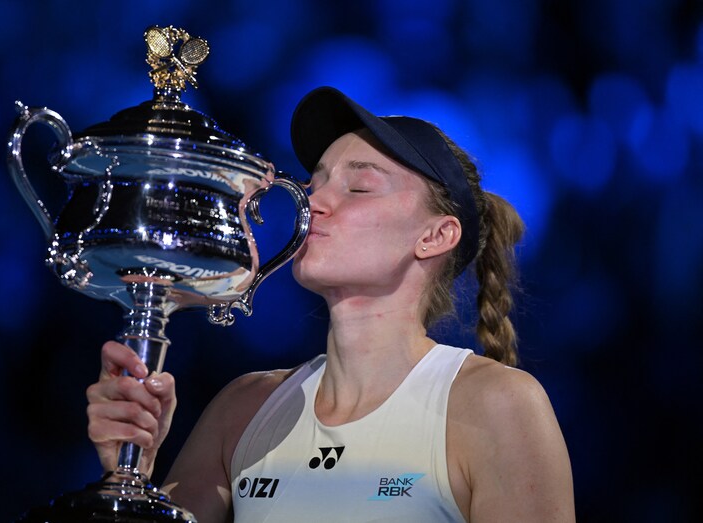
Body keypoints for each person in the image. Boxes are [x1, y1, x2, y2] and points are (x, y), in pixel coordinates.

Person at [86, 86, 575, 522]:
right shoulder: (241, 409)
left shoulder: (497, 405)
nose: (312, 203)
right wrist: (130, 472)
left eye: (359, 187)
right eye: (312, 185)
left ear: (435, 236)